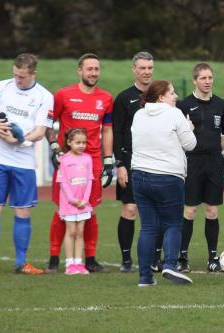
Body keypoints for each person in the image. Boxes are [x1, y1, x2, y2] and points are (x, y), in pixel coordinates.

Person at [0, 53, 53, 276]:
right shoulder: (0, 87)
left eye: (22, 77)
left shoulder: (44, 96)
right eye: (15, 75)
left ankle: (22, 262)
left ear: (33, 74)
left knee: (23, 212)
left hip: (23, 161)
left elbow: (40, 131)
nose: (17, 80)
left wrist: (19, 139)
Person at [45, 53, 113, 273]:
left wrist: (108, 158)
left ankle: (89, 259)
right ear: (80, 71)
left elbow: (108, 129)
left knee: (89, 210)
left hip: (92, 162)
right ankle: (54, 258)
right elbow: (48, 122)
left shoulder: (106, 98)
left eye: (96, 69)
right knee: (62, 210)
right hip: (67, 163)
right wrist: (54, 145)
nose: (93, 73)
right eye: (89, 69)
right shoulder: (63, 95)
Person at [131, 80, 197, 286]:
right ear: (161, 97)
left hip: (140, 174)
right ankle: (169, 264)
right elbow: (191, 144)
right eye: (172, 93)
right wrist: (189, 127)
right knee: (173, 223)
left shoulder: (139, 114)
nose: (176, 96)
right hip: (168, 175)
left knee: (148, 227)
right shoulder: (174, 114)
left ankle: (145, 277)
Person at [176, 62, 224, 273]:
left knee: (211, 210)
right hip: (191, 162)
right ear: (195, 80)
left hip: (214, 162)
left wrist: (216, 147)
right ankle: (182, 257)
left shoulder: (220, 104)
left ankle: (213, 258)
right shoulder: (183, 106)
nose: (207, 81)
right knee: (190, 210)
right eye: (203, 78)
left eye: (210, 77)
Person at [113, 51, 163, 273]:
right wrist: (120, 164)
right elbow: (117, 132)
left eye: (150, 68)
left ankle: (155, 258)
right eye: (142, 68)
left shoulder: (162, 96)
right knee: (130, 209)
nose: (146, 72)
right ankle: (126, 260)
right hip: (132, 161)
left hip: (158, 161)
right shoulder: (124, 98)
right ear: (134, 69)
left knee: (157, 211)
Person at [57, 128, 94, 275]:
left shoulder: (87, 158)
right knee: (71, 231)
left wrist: (85, 200)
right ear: (69, 142)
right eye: (78, 142)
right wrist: (73, 200)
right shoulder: (64, 160)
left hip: (83, 204)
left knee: (80, 232)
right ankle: (69, 263)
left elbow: (90, 180)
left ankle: (79, 263)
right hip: (69, 204)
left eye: (84, 142)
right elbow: (62, 182)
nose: (81, 145)